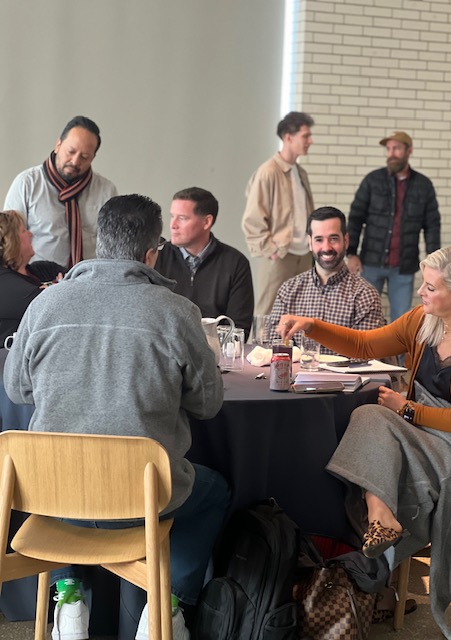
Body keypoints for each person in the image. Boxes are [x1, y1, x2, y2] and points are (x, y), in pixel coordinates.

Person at [4, 194, 230, 640]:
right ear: (151, 252)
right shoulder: (177, 312)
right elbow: (207, 405)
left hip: (50, 493)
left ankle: (69, 600)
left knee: (67, 479)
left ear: (99, 243)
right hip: (139, 499)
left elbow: (17, 389)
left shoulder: (44, 305)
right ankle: (166, 607)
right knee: (214, 490)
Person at [277, 244, 451, 640]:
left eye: (431, 287)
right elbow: (366, 345)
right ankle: (380, 523)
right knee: (373, 429)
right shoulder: (423, 321)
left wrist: (408, 410)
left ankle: (377, 518)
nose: (421, 291)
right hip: (422, 434)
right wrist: (312, 326)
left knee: (371, 416)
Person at [346, 131, 441, 321]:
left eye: (396, 148)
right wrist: (351, 253)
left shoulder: (423, 185)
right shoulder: (372, 180)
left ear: (409, 150)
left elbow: (432, 225)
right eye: (388, 149)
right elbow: (355, 217)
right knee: (364, 317)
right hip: (370, 263)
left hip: (404, 266)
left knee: (402, 320)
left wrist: (434, 262)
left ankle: (397, 344)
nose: (391, 153)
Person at [4, 115, 118, 269]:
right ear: (58, 145)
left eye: (84, 157)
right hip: (38, 278)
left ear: (93, 157)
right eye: (71, 151)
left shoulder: (106, 191)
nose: (75, 161)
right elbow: (9, 241)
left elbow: (114, 246)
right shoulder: (27, 184)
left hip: (89, 278)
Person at [267, 206, 385, 348]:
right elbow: (273, 345)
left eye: (333, 239)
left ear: (346, 241)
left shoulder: (365, 295)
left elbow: (367, 352)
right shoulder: (288, 290)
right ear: (310, 243)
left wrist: (313, 328)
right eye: (319, 239)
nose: (326, 247)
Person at [155, 186, 254, 338]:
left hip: (215, 351)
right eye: (172, 216)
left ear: (206, 222)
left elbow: (238, 329)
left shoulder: (236, 263)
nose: (173, 225)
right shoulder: (157, 257)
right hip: (166, 349)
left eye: (182, 218)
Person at [242, 111, 315, 315]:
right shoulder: (268, 172)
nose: (310, 141)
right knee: (267, 314)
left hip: (304, 256)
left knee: (299, 314)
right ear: (288, 137)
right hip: (281, 256)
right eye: (306, 136)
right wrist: (271, 250)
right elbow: (252, 219)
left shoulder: (301, 173)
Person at [0, 210, 65, 345]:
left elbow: (82, 283)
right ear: (11, 240)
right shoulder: (3, 282)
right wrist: (59, 287)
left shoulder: (43, 269)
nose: (30, 234)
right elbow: (50, 306)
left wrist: (51, 288)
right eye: (24, 231)